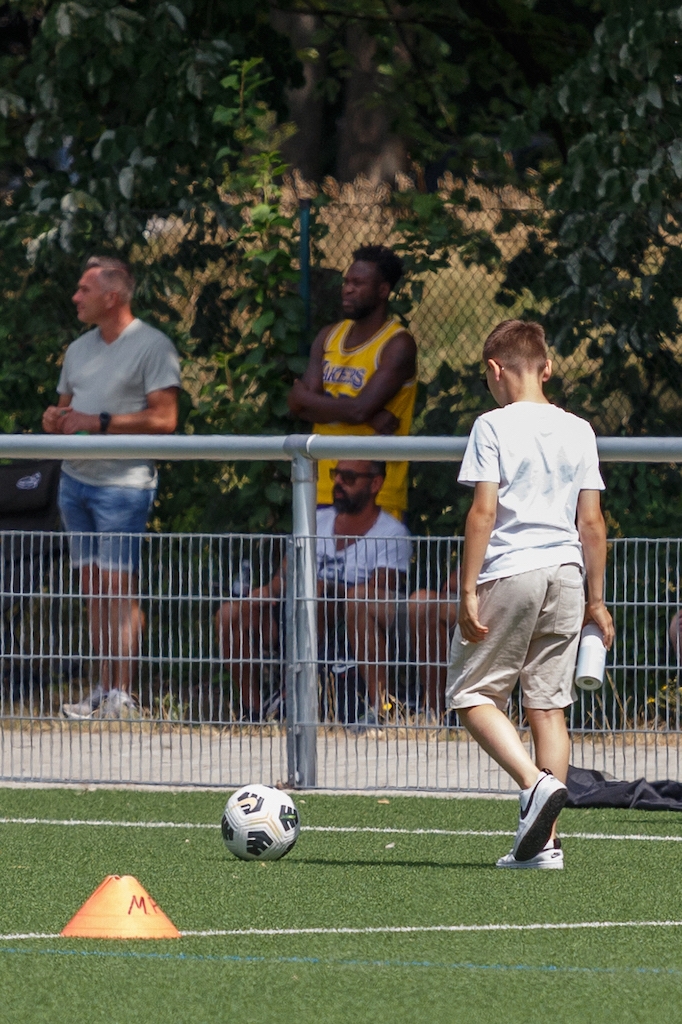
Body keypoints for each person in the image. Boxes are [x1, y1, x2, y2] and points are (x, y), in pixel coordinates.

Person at [446, 319, 614, 870]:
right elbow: (592, 522)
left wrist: (468, 589)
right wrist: (595, 600)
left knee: (471, 694)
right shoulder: (580, 429)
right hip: (567, 575)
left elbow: (483, 512)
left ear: (495, 370)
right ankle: (546, 844)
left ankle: (532, 783)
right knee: (548, 708)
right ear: (548, 368)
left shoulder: (491, 425)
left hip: (511, 572)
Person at [42, 256, 181, 719]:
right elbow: (67, 410)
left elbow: (165, 419)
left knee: (119, 585)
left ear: (112, 296)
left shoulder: (152, 345)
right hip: (75, 481)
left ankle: (123, 694)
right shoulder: (78, 349)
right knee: (93, 587)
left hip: (122, 484)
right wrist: (55, 419)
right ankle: (101, 690)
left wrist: (99, 422)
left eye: (84, 289)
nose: (75, 297)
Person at [215, 460, 411, 725]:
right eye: (335, 474)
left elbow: (379, 592)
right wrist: (259, 596)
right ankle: (253, 712)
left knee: (315, 596)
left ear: (375, 484)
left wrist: (326, 589)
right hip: (293, 609)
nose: (338, 482)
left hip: (349, 617)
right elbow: (284, 577)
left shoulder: (392, 533)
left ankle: (298, 695)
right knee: (230, 614)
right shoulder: (316, 520)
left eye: (348, 477)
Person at [287, 245, 417, 521]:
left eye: (358, 283)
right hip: (322, 486)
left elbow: (356, 409)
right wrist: (367, 414)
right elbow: (298, 406)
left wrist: (317, 401)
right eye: (347, 282)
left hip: (376, 493)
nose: (347, 289)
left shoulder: (397, 344)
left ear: (383, 290)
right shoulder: (328, 336)